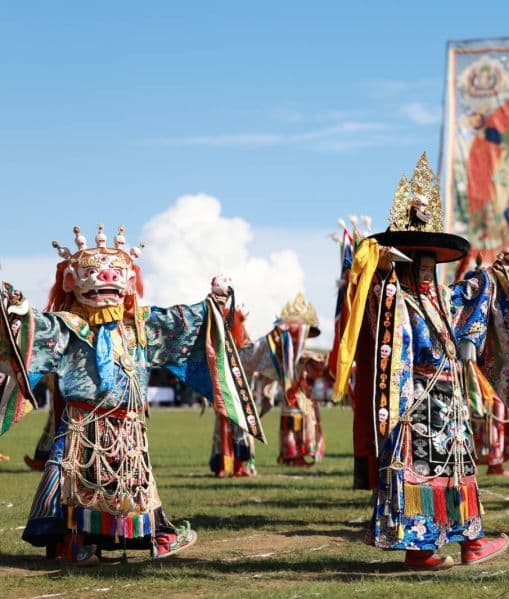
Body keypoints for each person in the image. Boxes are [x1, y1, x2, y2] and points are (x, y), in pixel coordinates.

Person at [0, 225, 263, 563]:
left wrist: (215, 305)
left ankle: (156, 537)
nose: (105, 279)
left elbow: (182, 323)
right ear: (70, 282)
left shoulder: (141, 325)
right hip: (82, 423)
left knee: (134, 487)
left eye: (114, 273)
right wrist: (17, 309)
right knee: (72, 483)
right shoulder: (68, 327)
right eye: (91, 274)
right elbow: (34, 330)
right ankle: (76, 544)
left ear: (128, 281)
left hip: (128, 427)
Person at [334, 153, 509, 570]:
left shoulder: (442, 300)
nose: (428, 273)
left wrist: (499, 268)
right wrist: (380, 271)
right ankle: (421, 550)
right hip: (415, 401)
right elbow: (373, 309)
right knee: (422, 475)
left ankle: (471, 542)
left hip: (449, 401)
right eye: (421, 266)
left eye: (431, 266)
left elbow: (474, 289)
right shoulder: (393, 298)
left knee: (457, 471)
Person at [241, 292, 327, 467]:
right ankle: (291, 455)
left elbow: (315, 369)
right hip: (291, 394)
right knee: (292, 424)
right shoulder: (285, 352)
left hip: (301, 394)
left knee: (304, 423)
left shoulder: (301, 353)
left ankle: (300, 454)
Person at [208, 304, 257, 477]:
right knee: (222, 429)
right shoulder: (216, 349)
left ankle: (239, 466)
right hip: (223, 392)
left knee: (240, 429)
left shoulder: (243, 349)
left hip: (238, 395)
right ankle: (223, 465)